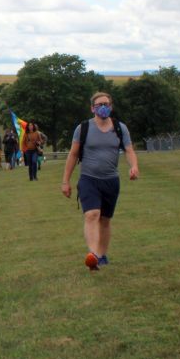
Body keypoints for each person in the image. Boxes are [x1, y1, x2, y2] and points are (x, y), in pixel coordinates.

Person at [61, 92, 140, 270]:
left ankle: (102, 255)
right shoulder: (83, 128)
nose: (103, 107)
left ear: (111, 107)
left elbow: (129, 150)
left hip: (111, 180)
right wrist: (65, 181)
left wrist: (133, 166)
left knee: (105, 219)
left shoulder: (120, 128)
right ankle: (93, 255)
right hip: (89, 179)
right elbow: (73, 155)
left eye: (106, 104)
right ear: (92, 108)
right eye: (98, 105)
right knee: (92, 214)